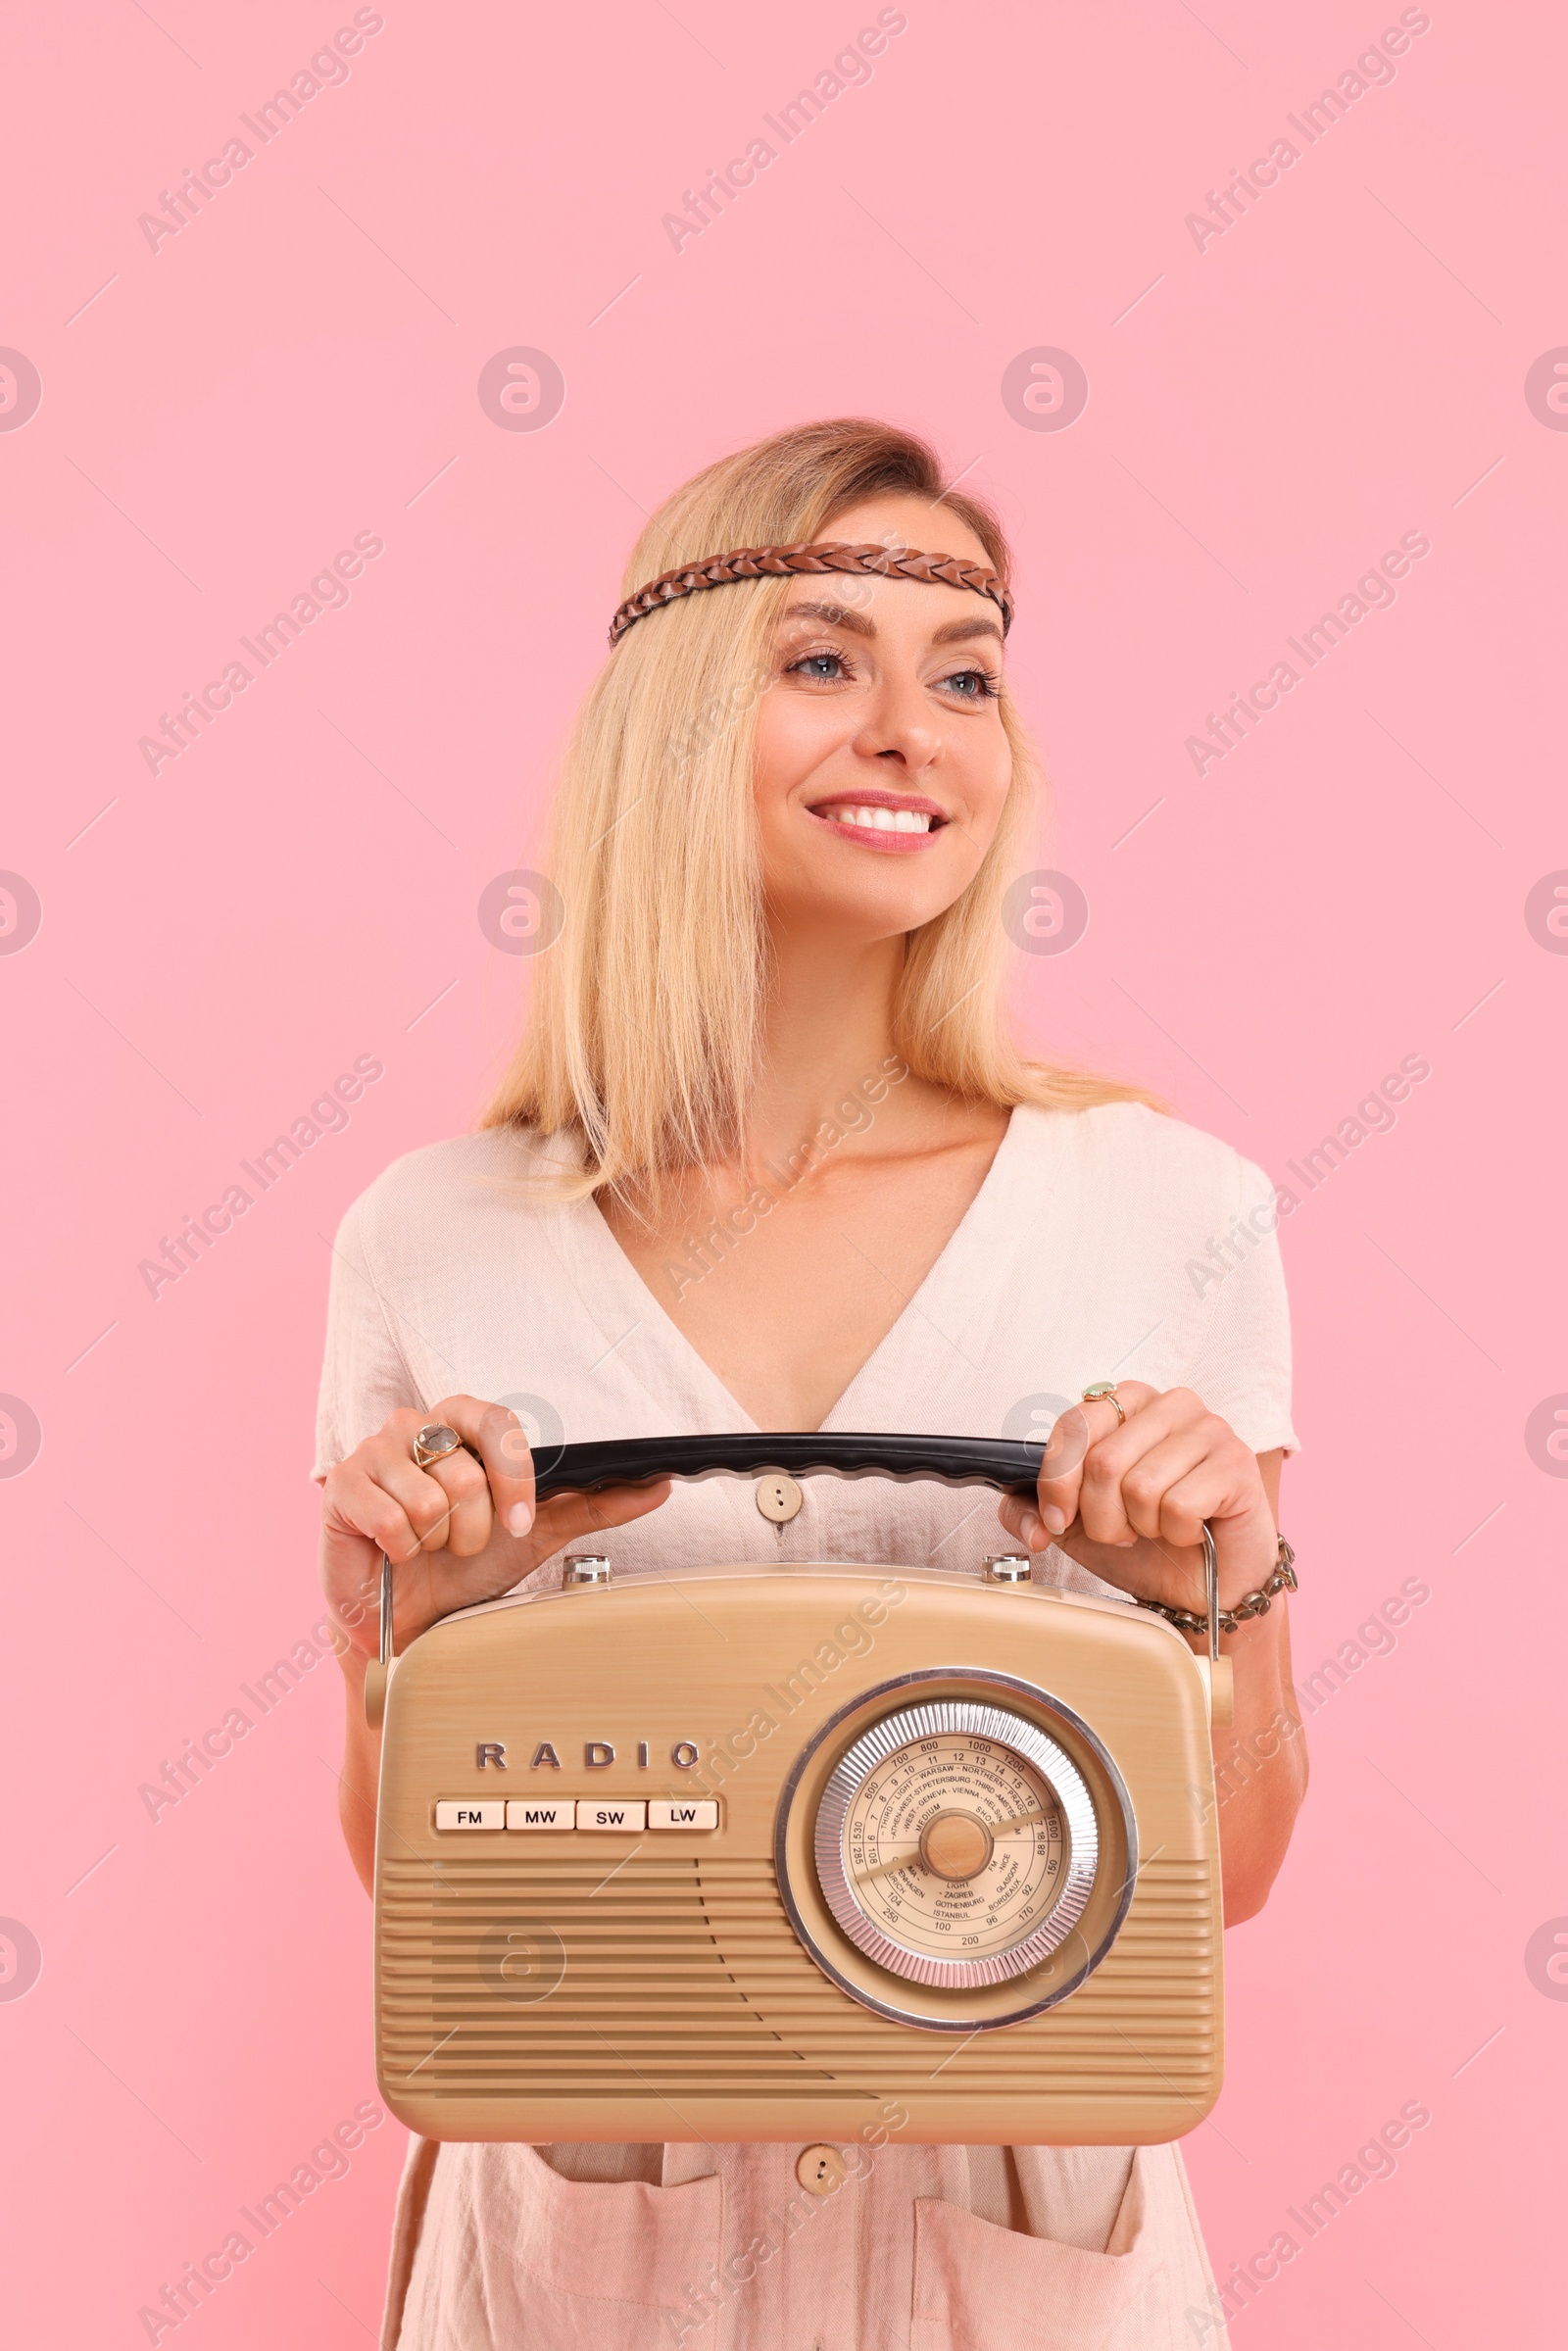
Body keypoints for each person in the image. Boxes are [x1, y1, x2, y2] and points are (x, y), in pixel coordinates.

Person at [315, 417, 1306, 2349]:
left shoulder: (1166, 1207)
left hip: (1023, 2243)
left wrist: (1230, 1588)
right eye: (819, 660)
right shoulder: (429, 1236)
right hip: (591, 2256)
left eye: (962, 681)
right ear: (674, 719)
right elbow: (412, 1880)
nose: (908, 732)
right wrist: (415, 1639)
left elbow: (1237, 1870)